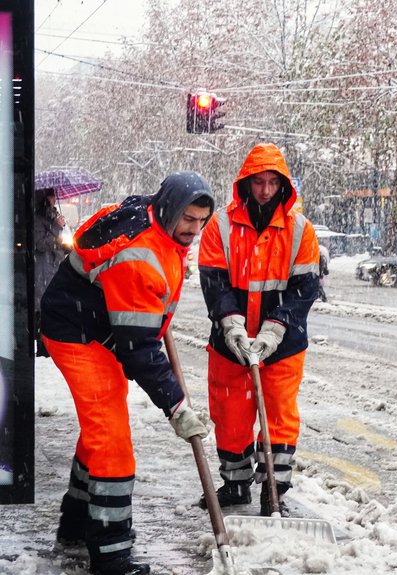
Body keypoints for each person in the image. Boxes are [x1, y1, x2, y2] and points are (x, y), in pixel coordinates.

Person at [40, 172, 215, 575]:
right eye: (188, 218)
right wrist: (177, 407)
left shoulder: (154, 218)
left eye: (201, 221)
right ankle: (111, 554)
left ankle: (76, 525)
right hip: (77, 332)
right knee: (112, 439)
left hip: (94, 325)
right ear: (170, 208)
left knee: (103, 426)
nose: (194, 229)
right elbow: (138, 351)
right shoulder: (141, 254)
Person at [198, 143, 320, 517]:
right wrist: (232, 325)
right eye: (259, 182)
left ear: (283, 185)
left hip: (282, 345)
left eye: (272, 183)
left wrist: (275, 328)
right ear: (246, 183)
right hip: (229, 344)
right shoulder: (220, 226)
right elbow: (214, 282)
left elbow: (304, 289)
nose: (265, 190)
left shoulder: (300, 231)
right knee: (230, 415)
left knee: (280, 415)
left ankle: (273, 488)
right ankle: (235, 485)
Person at [33, 187, 70, 357]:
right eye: (52, 196)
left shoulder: (53, 215)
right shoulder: (38, 218)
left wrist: (65, 243)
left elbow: (56, 240)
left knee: (52, 307)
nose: (55, 199)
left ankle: (50, 344)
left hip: (54, 266)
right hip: (44, 268)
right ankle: (43, 346)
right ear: (44, 198)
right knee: (43, 307)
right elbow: (40, 243)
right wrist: (56, 228)